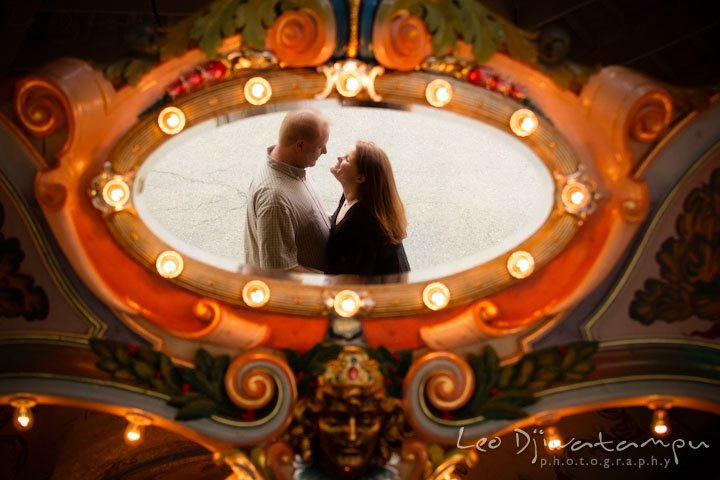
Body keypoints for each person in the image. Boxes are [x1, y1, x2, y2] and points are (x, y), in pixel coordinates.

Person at [245, 110, 331, 272]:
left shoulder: (288, 164)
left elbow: (297, 213)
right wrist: (333, 281)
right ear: (300, 145)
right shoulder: (275, 201)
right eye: (320, 146)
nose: (325, 151)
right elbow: (280, 272)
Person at [327, 141, 410, 277]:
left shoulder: (362, 223)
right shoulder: (350, 198)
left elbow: (349, 281)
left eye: (347, 159)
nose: (339, 157)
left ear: (360, 178)